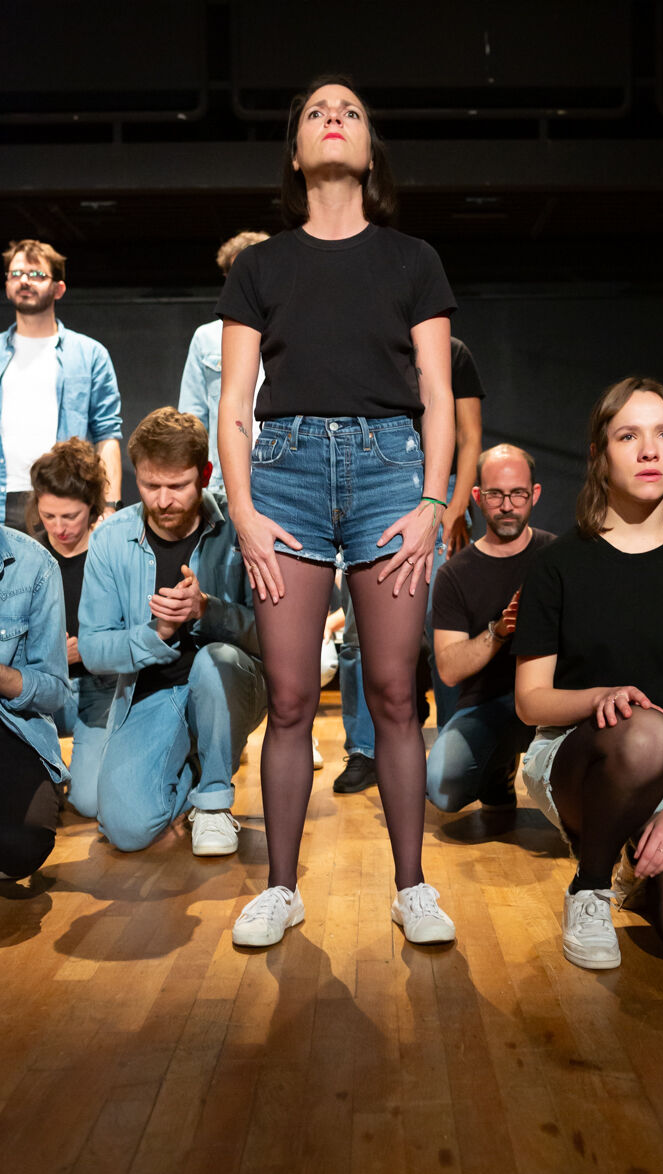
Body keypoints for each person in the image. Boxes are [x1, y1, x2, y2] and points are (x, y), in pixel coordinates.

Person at [217, 74, 458, 948]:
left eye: (350, 111)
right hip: (284, 474)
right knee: (289, 697)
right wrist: (243, 511)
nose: (333, 118)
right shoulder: (260, 266)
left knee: (394, 690)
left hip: (391, 471)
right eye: (316, 111)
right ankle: (281, 888)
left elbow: (438, 393)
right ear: (295, 153)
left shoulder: (413, 259)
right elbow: (233, 403)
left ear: (368, 150)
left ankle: (412, 886)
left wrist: (433, 500)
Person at [514, 377, 663, 973]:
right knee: (646, 732)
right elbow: (530, 702)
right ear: (599, 455)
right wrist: (601, 695)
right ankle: (590, 886)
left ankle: (635, 869)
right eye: (628, 436)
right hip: (581, 754)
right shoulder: (557, 565)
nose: (649, 451)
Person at [78, 408, 268, 855]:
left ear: (204, 475)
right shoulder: (110, 539)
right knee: (125, 830)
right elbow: (93, 649)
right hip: (152, 694)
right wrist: (157, 632)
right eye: (150, 486)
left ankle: (215, 802)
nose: (163, 501)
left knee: (213, 661)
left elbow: (272, 637)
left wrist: (207, 610)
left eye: (177, 486)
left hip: (233, 684)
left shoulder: (240, 528)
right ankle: (198, 768)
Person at [334, 335, 485, 793]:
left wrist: (454, 506)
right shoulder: (365, 342)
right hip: (376, 486)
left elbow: (469, 436)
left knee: (443, 625)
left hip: (439, 489)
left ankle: (452, 744)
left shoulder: (452, 351)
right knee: (359, 630)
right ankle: (364, 749)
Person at [426, 444, 554, 813]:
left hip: (554, 699)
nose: (507, 505)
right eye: (496, 494)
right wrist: (501, 628)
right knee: (442, 786)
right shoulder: (455, 574)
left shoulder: (558, 556)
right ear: (477, 496)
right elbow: (448, 669)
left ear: (534, 494)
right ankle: (498, 767)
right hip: (489, 706)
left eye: (518, 494)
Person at [1, 239, 122, 529]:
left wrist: (109, 507)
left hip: (66, 499)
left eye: (36, 274)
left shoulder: (89, 354)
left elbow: (107, 434)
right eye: (16, 274)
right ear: (7, 284)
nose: (25, 281)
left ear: (59, 288)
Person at [27, 438, 116, 818]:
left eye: (70, 516)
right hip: (42, 692)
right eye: (49, 516)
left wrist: (90, 648)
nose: (59, 527)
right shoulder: (27, 556)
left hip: (101, 688)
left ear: (92, 506)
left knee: (88, 802)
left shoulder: (111, 551)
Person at [0, 524, 70, 880]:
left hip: (8, 719)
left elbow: (55, 691)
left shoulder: (36, 565)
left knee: (24, 843)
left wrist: (3, 677)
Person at [178, 230, 270, 497]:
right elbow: (192, 420)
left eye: (257, 270)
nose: (248, 280)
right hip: (222, 482)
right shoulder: (207, 337)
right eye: (238, 272)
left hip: (283, 476)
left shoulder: (294, 331)